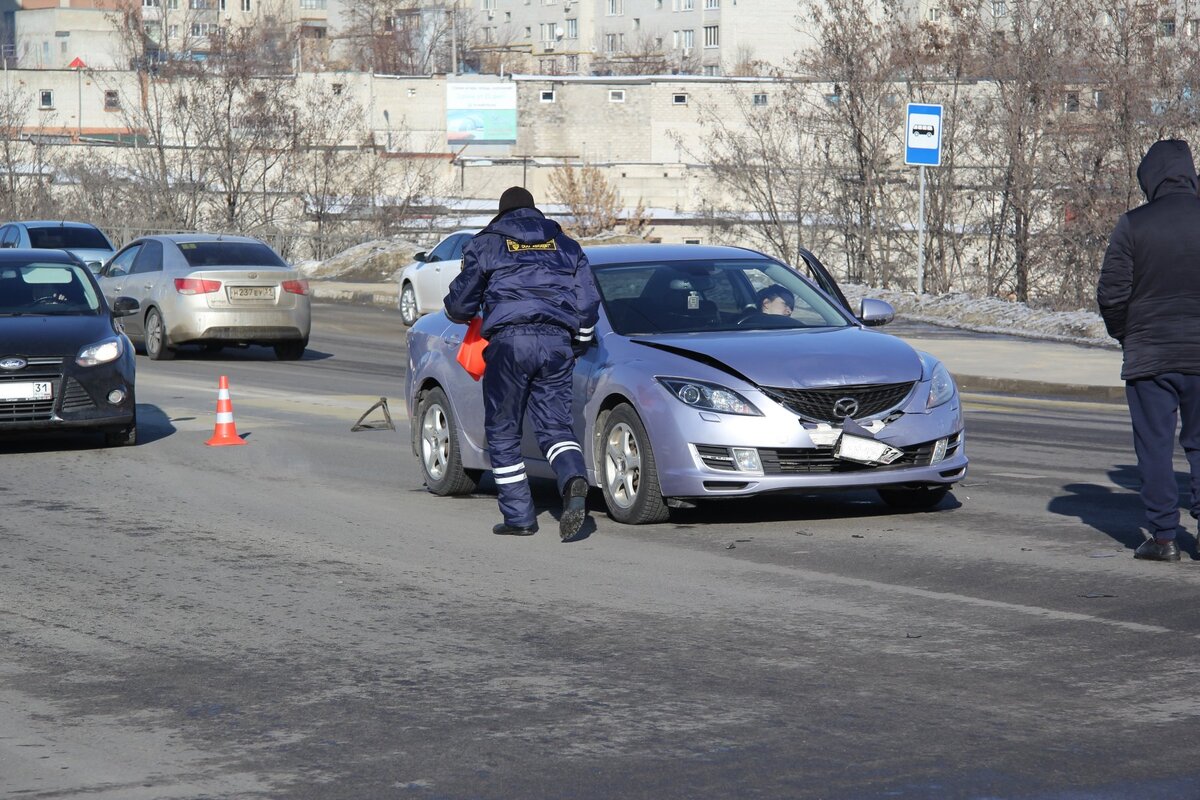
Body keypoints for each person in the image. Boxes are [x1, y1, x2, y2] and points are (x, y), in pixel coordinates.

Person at [444, 186, 601, 542]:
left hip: (509, 344)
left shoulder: (487, 244)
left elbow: (458, 307)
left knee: (503, 430)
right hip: (557, 343)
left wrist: (472, 305)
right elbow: (588, 304)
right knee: (556, 427)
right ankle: (572, 477)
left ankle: (520, 517)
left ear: (501, 215)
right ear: (535, 213)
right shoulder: (566, 245)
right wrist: (578, 340)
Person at [1098, 139, 1200, 562]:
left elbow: (1111, 295)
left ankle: (1163, 538)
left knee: (1155, 446)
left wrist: (1128, 335)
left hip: (1149, 357)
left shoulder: (1133, 225)